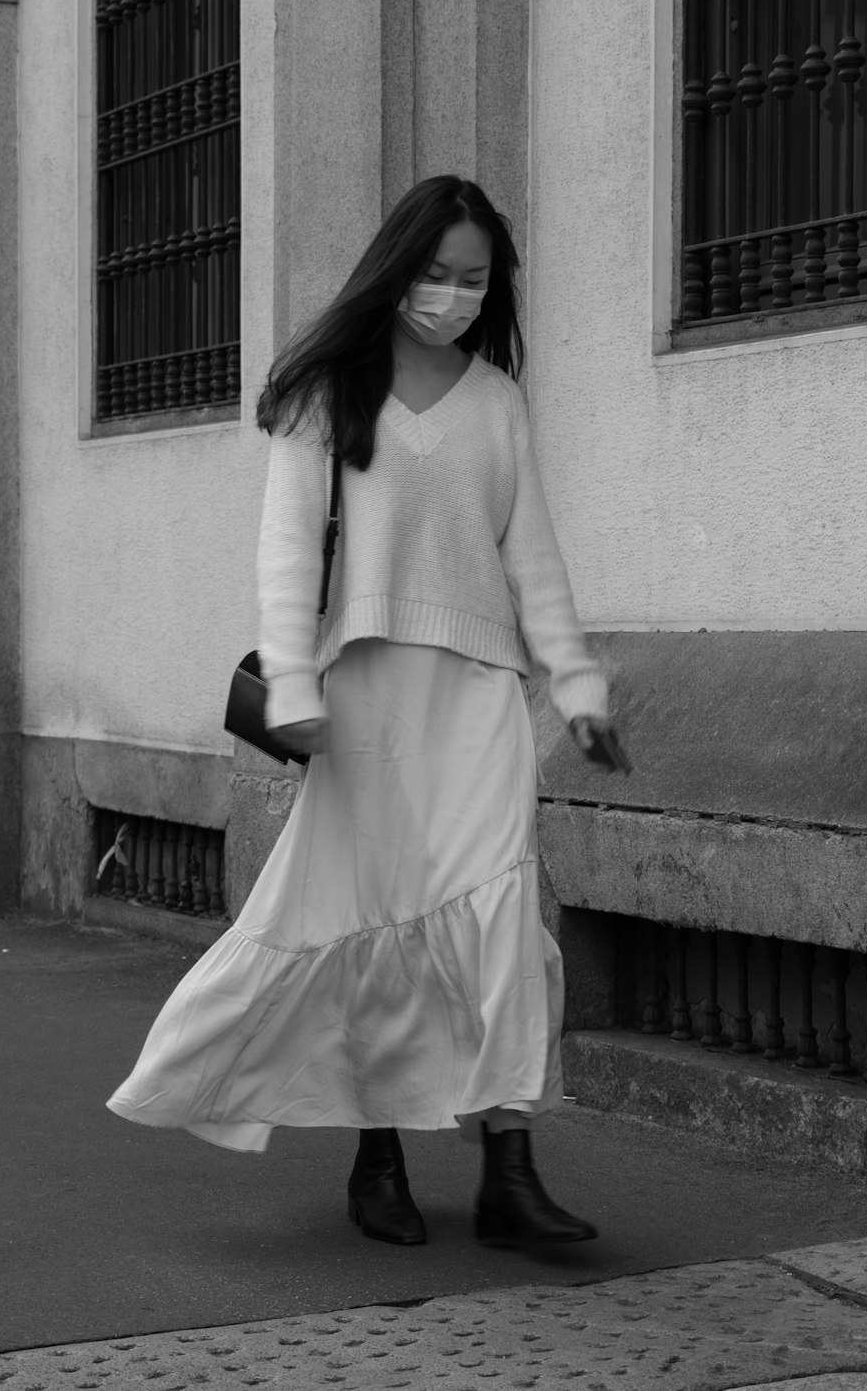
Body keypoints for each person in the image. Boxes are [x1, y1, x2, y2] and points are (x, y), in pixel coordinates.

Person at [107, 175, 626, 1256]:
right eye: (433, 272)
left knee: (497, 922)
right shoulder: (328, 393)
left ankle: (508, 1171)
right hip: (366, 697)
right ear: (395, 273)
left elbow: (533, 561)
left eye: (473, 278)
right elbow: (287, 556)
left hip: (480, 694)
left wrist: (575, 686)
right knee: (377, 927)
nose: (452, 293)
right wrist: (291, 691)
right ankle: (377, 1153)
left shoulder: (498, 403)